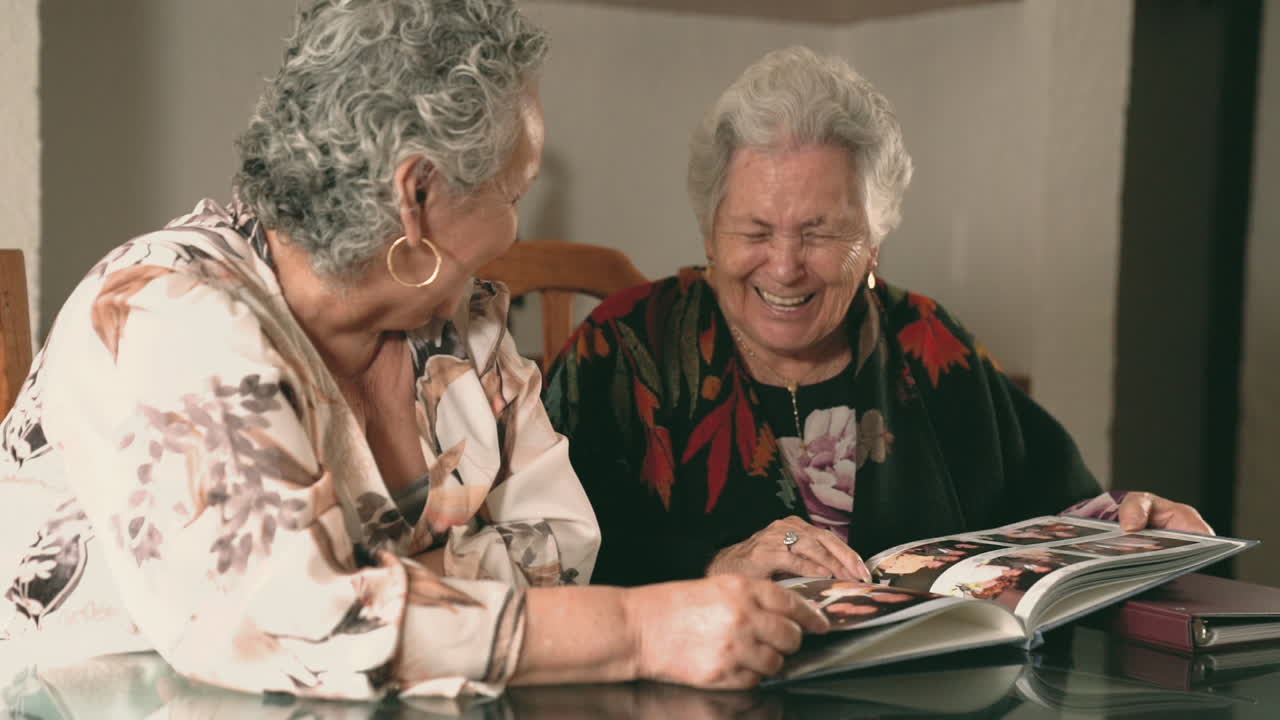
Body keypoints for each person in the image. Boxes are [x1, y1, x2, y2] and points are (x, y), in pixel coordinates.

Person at [0, 1, 826, 699]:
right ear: (417, 195)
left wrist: (383, 597)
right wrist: (639, 628)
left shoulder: (461, 324)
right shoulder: (163, 314)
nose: (514, 227)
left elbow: (564, 550)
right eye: (514, 190)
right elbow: (297, 626)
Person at [543, 46, 1212, 588]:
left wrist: (1138, 528)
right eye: (754, 231)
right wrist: (717, 569)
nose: (784, 266)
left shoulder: (927, 342)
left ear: (874, 240)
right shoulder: (623, 348)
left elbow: (1056, 509)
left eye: (819, 232)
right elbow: (546, 564)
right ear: (709, 233)